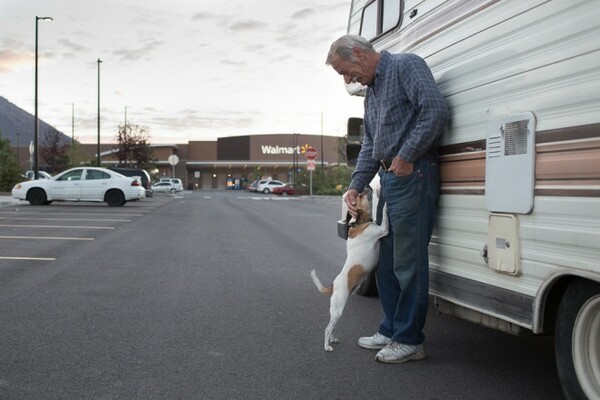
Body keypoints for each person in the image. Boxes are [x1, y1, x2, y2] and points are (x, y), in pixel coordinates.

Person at [325, 34, 449, 363]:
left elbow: (435, 111)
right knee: (387, 263)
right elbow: (370, 145)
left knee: (408, 263)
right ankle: (392, 327)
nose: (347, 80)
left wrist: (407, 155)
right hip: (389, 180)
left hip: (414, 174)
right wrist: (356, 184)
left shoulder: (406, 66)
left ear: (361, 55)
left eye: (346, 72)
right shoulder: (373, 92)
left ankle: (410, 340)